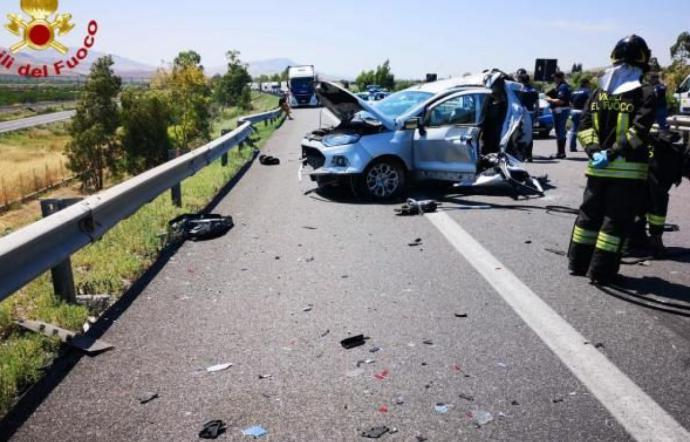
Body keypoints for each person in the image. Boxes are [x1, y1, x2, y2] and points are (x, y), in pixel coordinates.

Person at [567, 34, 657, 283]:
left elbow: (583, 126)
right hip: (626, 171)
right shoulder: (645, 92)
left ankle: (577, 263)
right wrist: (612, 152)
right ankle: (602, 272)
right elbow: (639, 132)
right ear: (643, 60)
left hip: (597, 170)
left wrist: (594, 151)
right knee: (615, 223)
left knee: (588, 217)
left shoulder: (598, 92)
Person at [545, 71, 572, 159]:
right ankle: (559, 153)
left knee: (560, 131)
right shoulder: (559, 86)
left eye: (555, 77)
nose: (554, 79)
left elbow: (561, 101)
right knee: (558, 132)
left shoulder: (563, 87)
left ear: (559, 78)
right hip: (558, 111)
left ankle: (561, 153)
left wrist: (550, 99)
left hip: (561, 111)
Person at [516, 69, 539, 162]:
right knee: (530, 135)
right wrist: (536, 114)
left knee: (520, 134)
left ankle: (522, 155)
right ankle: (529, 155)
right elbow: (537, 104)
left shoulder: (520, 90)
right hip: (531, 113)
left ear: (521, 80)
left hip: (522, 114)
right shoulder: (534, 90)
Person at [567, 78, 591, 153]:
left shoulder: (574, 92)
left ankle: (572, 147)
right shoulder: (587, 91)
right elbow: (590, 102)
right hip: (583, 112)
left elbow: (570, 102)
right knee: (586, 130)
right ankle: (588, 147)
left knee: (574, 129)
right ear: (586, 83)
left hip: (574, 111)